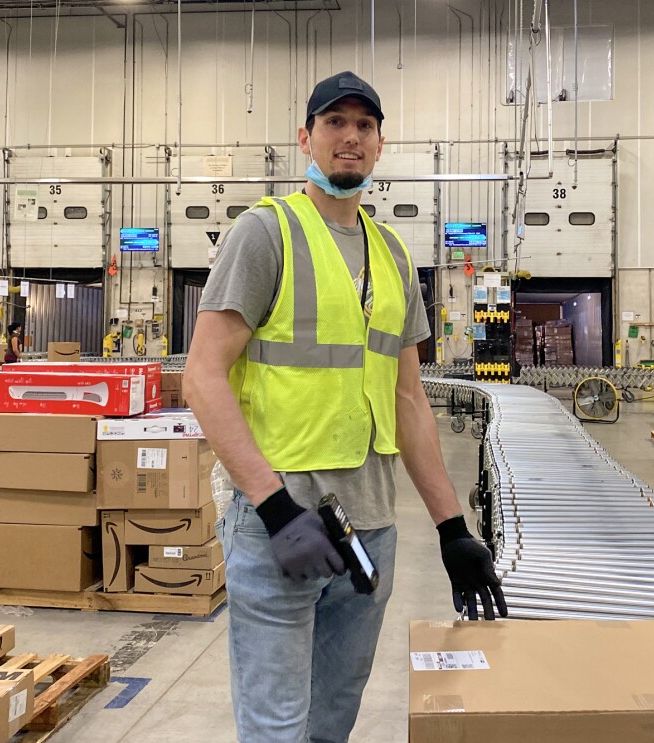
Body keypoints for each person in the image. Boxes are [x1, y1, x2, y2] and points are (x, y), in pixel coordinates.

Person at [183, 71, 506, 743]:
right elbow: (203, 376)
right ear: (306, 137)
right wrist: (273, 507)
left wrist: (451, 527)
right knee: (278, 730)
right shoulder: (265, 232)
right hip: (283, 525)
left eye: (363, 125)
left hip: (372, 529)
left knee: (332, 725)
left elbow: (408, 399)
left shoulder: (392, 254)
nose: (349, 137)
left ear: (380, 145)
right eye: (334, 123)